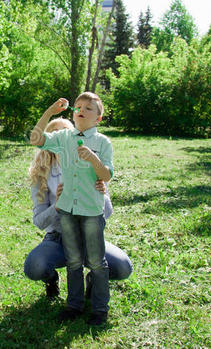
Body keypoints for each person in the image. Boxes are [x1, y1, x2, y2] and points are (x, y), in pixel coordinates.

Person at [24, 117, 132, 316]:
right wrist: (58, 205)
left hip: (89, 236)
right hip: (57, 238)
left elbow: (106, 213)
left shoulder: (91, 165)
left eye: (65, 132)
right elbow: (39, 222)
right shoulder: (41, 175)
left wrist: (100, 193)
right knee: (35, 266)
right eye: (54, 133)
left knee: (123, 267)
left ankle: (93, 280)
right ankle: (51, 279)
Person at [30, 92, 114, 325]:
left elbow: (106, 175)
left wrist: (93, 160)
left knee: (97, 262)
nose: (81, 110)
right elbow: (36, 139)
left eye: (88, 108)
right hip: (67, 209)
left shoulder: (103, 143)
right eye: (78, 106)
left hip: (91, 212)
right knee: (74, 261)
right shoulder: (65, 137)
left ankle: (99, 309)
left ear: (98, 119)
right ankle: (74, 305)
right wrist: (50, 111)